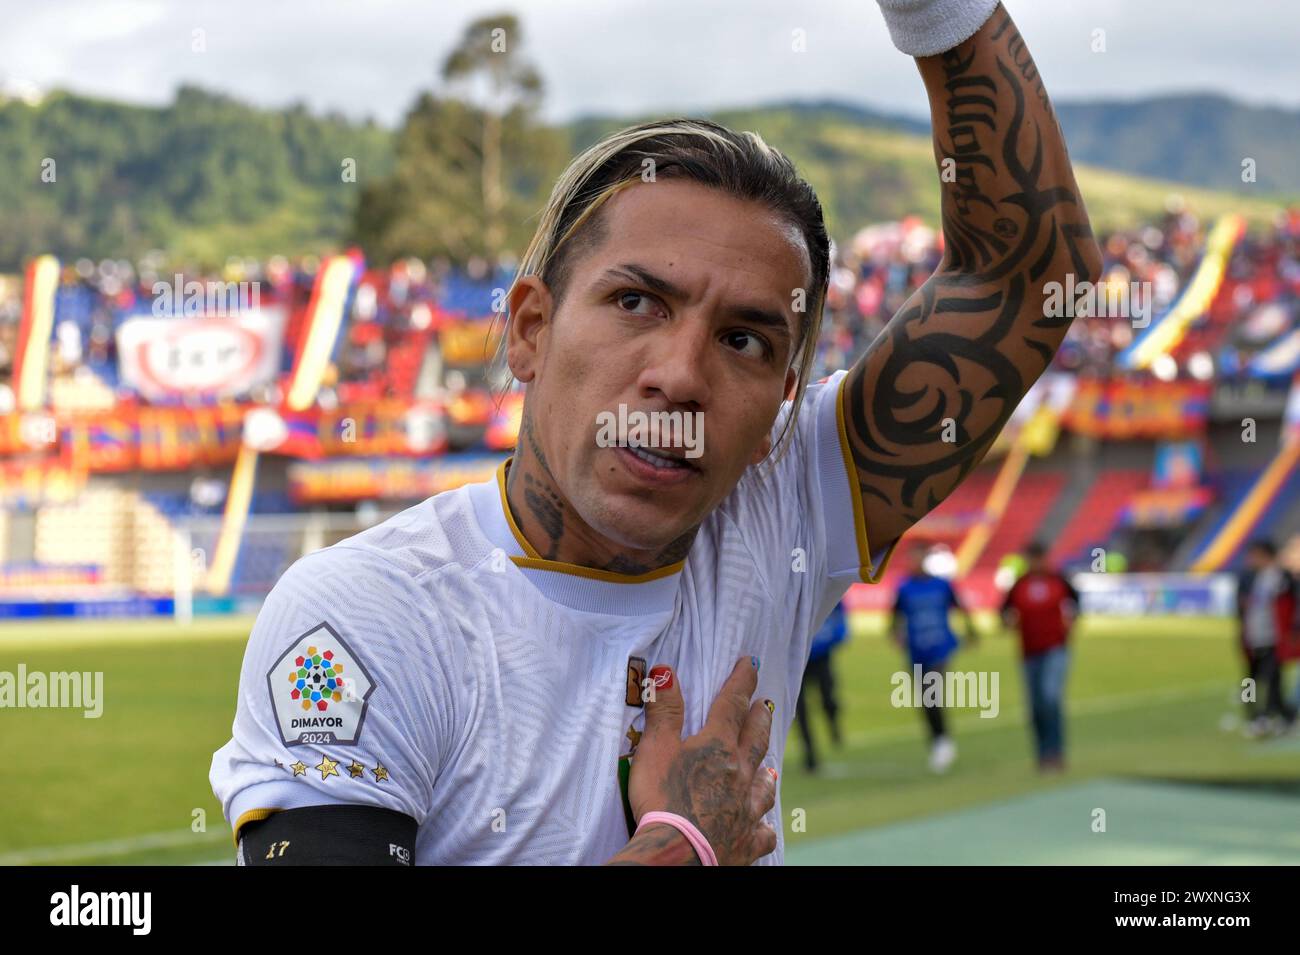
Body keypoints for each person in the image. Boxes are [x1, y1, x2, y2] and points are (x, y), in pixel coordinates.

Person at [209, 0, 1099, 865]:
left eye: (744, 340)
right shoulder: (369, 614)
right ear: (528, 329)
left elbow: (1025, 279)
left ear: (777, 412)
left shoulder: (780, 515)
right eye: (637, 301)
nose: (679, 373)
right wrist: (685, 846)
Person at [891, 542, 977, 773]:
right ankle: (939, 740)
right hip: (917, 650)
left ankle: (943, 742)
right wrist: (895, 635)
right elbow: (895, 616)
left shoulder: (941, 585)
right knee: (926, 700)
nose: (913, 562)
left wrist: (971, 631)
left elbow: (960, 607)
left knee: (933, 693)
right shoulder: (905, 588)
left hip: (940, 647)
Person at [1000, 541, 1078, 771]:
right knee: (1035, 705)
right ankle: (1042, 753)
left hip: (1055, 649)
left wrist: (1072, 623)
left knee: (1050, 698)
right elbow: (1003, 611)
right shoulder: (1019, 585)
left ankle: (1055, 752)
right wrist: (1007, 622)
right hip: (1028, 652)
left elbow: (1076, 602)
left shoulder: (1059, 580)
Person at [1236, 539, 1299, 736]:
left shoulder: (1283, 578)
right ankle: (1254, 716)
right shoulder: (1247, 577)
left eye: (1255, 555)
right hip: (1252, 638)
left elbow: (1293, 605)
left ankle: (1279, 716)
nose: (1251, 559)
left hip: (1273, 639)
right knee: (1249, 681)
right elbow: (1240, 607)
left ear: (1265, 555)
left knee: (1273, 680)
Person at [795, 600, 848, 772]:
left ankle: (833, 725)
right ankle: (810, 754)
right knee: (800, 711)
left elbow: (839, 612)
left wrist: (837, 635)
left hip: (821, 655)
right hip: (797, 660)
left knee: (829, 698)